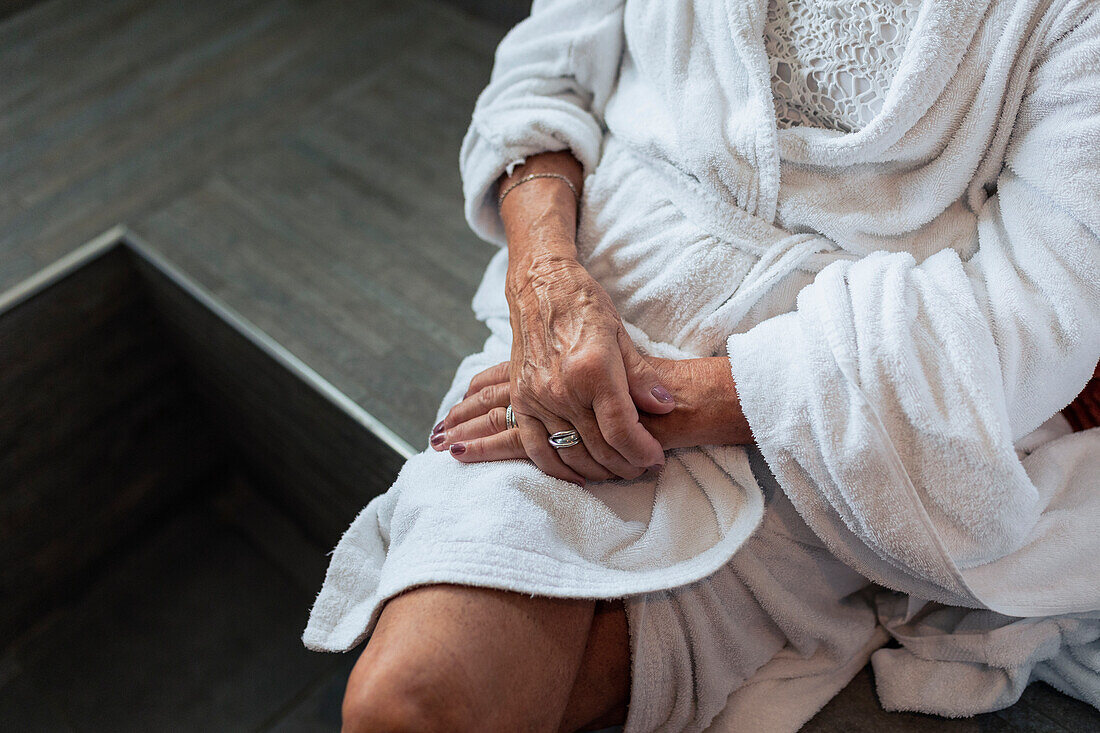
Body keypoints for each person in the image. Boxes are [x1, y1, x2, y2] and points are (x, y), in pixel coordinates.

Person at [304, 0, 1100, 730]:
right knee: (404, 705)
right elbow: (542, 70)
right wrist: (545, 282)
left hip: (835, 425)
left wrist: (649, 402)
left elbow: (1042, 307)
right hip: (600, 308)